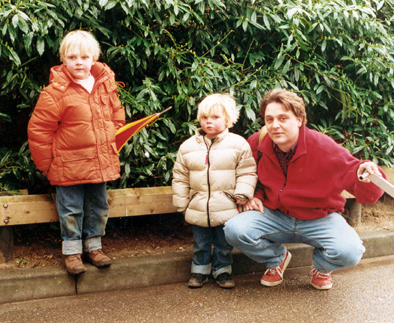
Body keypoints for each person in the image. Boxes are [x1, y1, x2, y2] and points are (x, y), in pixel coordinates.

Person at [224, 88, 386, 290]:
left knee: (350, 251)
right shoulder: (258, 142)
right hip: (276, 215)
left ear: (299, 119)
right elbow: (250, 176)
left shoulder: (323, 147)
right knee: (234, 229)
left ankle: (321, 267)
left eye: (283, 118)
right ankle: (277, 259)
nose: (275, 125)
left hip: (320, 218)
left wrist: (368, 173)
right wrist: (253, 196)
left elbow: (360, 182)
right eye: (269, 119)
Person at [28, 30, 125, 275]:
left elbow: (117, 116)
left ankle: (94, 247)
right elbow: (39, 130)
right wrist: (47, 165)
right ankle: (72, 252)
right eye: (72, 57)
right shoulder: (55, 93)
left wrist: (109, 139)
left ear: (94, 58)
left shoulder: (104, 87)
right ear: (64, 60)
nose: (79, 62)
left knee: (98, 207)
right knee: (70, 209)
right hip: (68, 165)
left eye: (84, 56)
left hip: (99, 163)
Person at [172, 93, 258, 288]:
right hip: (198, 205)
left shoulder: (238, 145)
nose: (208, 121)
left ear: (228, 119)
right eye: (204, 117)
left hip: (227, 206)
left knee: (224, 243)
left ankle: (222, 270)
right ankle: (199, 270)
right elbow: (180, 176)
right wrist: (182, 203)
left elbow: (247, 171)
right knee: (200, 243)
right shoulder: (188, 147)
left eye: (215, 117)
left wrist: (243, 193)